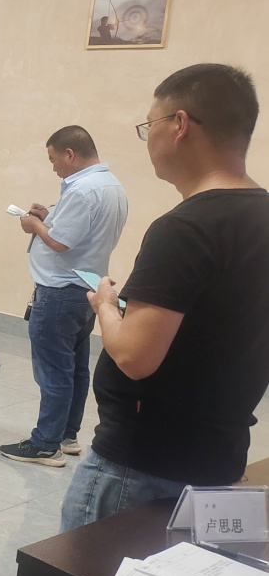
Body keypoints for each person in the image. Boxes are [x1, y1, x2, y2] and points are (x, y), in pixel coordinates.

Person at [61, 64, 269, 532]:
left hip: (143, 467)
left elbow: (135, 357)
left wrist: (105, 305)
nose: (147, 138)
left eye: (148, 125)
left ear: (179, 125)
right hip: (219, 455)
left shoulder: (186, 228)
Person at [0, 126, 127, 467]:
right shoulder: (111, 186)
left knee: (54, 371)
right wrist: (49, 217)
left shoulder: (82, 190)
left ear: (70, 154)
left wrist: (34, 225)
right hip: (86, 288)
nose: (53, 166)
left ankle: (45, 444)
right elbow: (83, 233)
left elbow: (60, 243)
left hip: (59, 291)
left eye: (54, 159)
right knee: (75, 368)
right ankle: (67, 436)